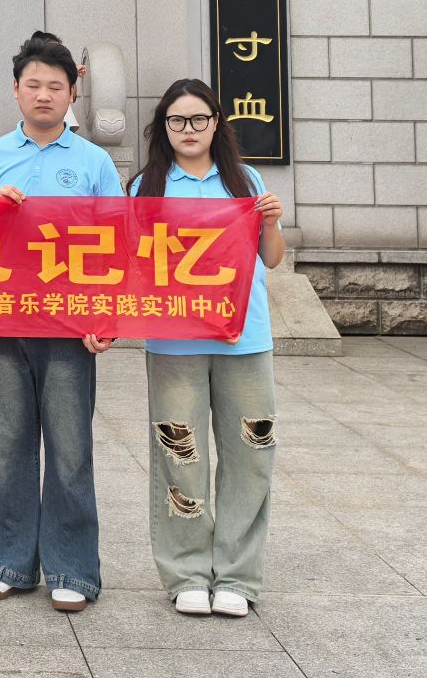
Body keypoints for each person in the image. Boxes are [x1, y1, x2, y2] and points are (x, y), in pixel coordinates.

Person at [0, 31, 124, 612]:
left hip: (70, 327)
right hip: (4, 320)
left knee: (70, 451)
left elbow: (117, 243)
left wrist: (107, 315)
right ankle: (4, 562)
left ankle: (73, 570)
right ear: (15, 90)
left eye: (56, 86)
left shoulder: (94, 161)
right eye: (33, 84)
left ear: (72, 94)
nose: (44, 94)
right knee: (4, 448)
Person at [128, 78, 284, 619]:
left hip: (246, 338)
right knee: (180, 454)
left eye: (199, 119)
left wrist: (272, 222)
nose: (188, 130)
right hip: (174, 342)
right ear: (163, 128)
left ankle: (238, 575)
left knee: (250, 455)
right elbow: (130, 264)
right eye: (177, 121)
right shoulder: (146, 187)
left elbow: (271, 258)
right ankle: (187, 572)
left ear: (217, 123)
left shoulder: (245, 180)